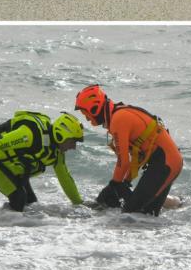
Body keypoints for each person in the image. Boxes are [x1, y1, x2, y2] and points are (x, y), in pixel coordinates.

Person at [75, 85, 183, 216]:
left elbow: (123, 161)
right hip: (165, 161)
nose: (86, 118)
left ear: (94, 108)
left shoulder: (118, 119)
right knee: (146, 212)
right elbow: (135, 158)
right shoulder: (118, 115)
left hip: (165, 162)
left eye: (85, 113)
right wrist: (125, 182)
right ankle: (180, 204)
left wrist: (114, 185)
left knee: (132, 214)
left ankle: (179, 204)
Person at [0, 111, 84, 211]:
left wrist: (79, 205)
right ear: (60, 135)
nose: (74, 147)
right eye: (72, 141)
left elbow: (65, 179)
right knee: (19, 198)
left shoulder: (57, 153)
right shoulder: (30, 135)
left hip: (10, 167)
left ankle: (13, 227)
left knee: (31, 204)